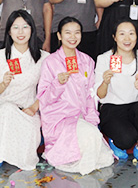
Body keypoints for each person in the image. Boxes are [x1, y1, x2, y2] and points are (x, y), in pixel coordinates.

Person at [38, 16, 115, 175]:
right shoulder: (50, 62)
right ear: (59, 36)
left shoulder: (87, 61)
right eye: (68, 33)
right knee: (89, 139)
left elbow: (90, 96)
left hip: (82, 116)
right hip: (60, 117)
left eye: (77, 32)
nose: (73, 37)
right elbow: (44, 99)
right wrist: (57, 84)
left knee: (102, 154)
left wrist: (92, 119)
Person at [0, 10, 47, 171]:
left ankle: (7, 151)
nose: (20, 32)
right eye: (15, 27)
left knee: (28, 140)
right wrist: (3, 83)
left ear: (32, 30)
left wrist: (34, 107)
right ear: (9, 31)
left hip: (28, 107)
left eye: (25, 27)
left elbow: (47, 89)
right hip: (3, 103)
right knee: (7, 111)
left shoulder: (44, 58)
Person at [96, 19, 138, 163]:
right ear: (114, 37)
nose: (127, 39)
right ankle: (114, 140)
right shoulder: (104, 59)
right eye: (122, 34)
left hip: (135, 107)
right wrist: (105, 82)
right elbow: (100, 95)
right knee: (126, 140)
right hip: (112, 108)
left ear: (137, 36)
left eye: (131, 33)